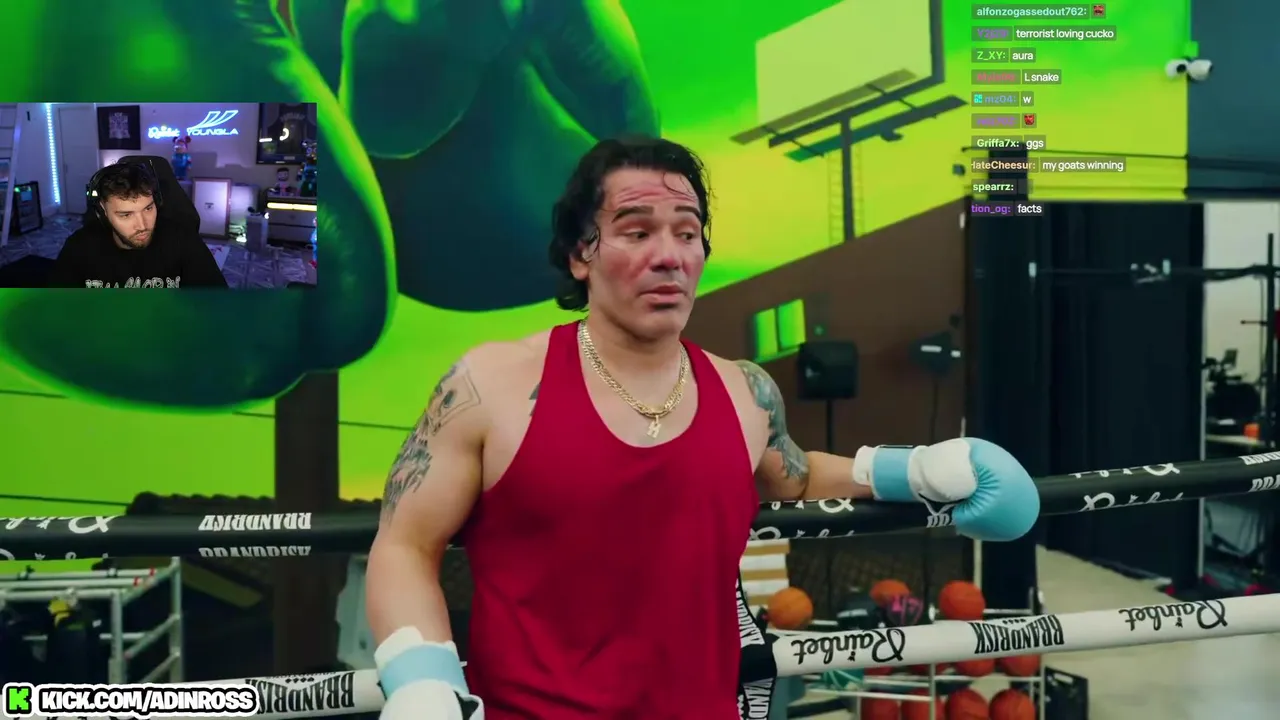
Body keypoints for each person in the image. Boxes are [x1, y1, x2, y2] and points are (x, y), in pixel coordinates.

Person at [365, 136, 1040, 720]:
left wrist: (914, 469)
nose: (669, 256)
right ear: (580, 254)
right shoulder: (493, 384)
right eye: (637, 232)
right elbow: (404, 547)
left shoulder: (744, 391)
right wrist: (422, 680)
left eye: (686, 234)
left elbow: (795, 475)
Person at [47, 161, 228, 288]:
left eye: (148, 208)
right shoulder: (79, 247)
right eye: (126, 215)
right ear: (102, 210)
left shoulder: (184, 241)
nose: (142, 225)